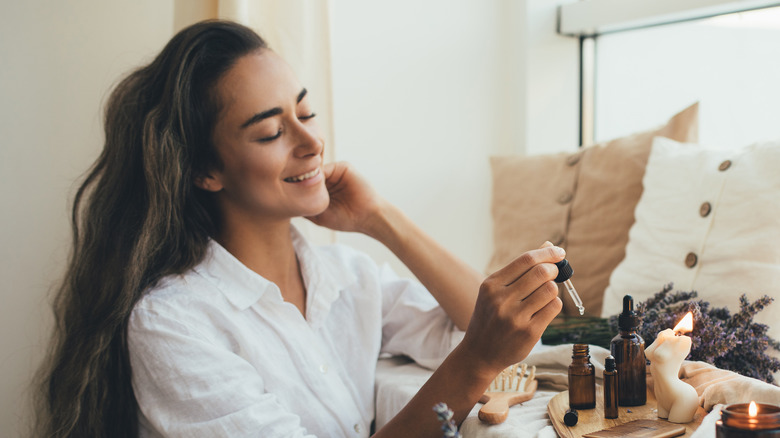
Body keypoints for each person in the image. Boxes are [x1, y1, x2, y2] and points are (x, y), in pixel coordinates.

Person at [34, 20, 564, 438]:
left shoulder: (345, 277)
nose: (311, 143)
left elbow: (486, 328)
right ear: (204, 170)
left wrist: (382, 219)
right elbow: (480, 346)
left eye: (305, 113)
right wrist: (476, 361)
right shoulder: (174, 323)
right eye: (271, 132)